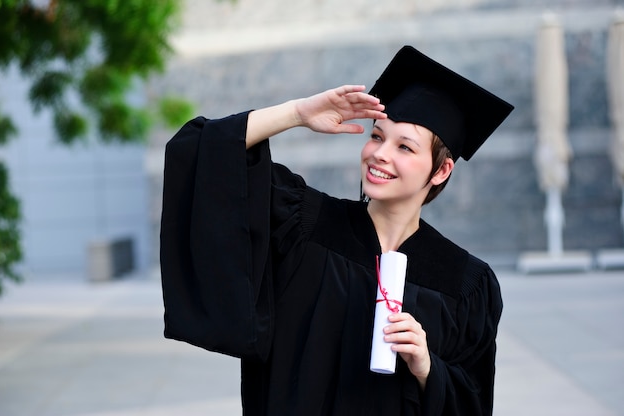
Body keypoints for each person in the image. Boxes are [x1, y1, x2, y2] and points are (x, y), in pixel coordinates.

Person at [160, 45, 514, 415]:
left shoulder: (465, 283)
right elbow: (206, 153)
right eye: (377, 136)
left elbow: (472, 402)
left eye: (404, 147)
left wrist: (427, 367)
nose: (379, 153)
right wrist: (297, 113)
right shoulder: (303, 224)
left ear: (440, 171)